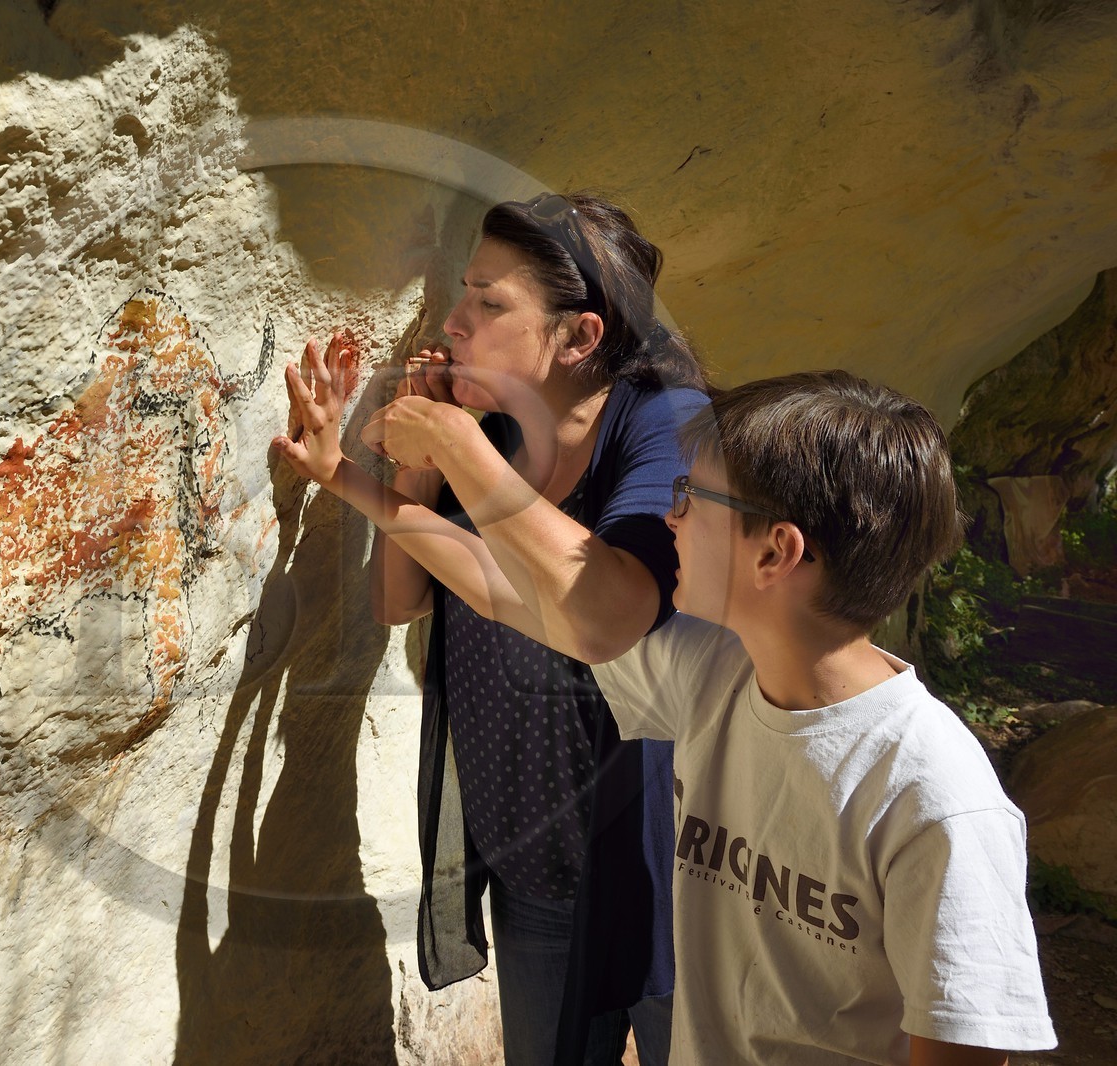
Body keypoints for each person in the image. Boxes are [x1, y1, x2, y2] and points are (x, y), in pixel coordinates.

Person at [365, 369, 1059, 1064]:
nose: (670, 518)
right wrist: (343, 475)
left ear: (775, 552)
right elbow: (503, 588)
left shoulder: (934, 800)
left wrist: (453, 443)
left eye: (690, 496)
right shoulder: (717, 676)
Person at [274, 192, 710, 1065]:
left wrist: (454, 443)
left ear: (579, 338)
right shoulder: (502, 431)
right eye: (463, 293)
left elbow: (609, 614)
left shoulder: (662, 424)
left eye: (488, 301)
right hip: (533, 864)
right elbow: (416, 598)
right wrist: (380, 474)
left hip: (667, 882)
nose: (453, 321)